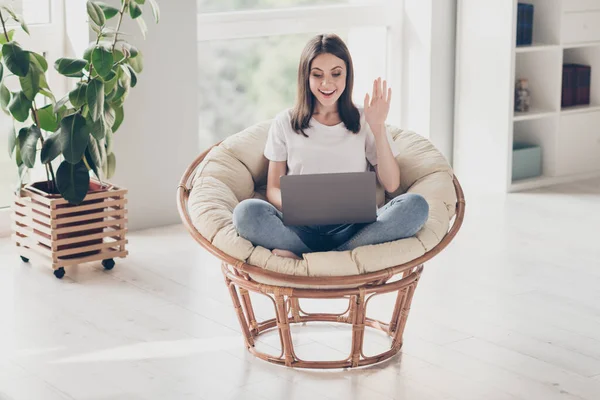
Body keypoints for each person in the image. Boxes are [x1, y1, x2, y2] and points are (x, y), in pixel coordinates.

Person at [232, 33, 429, 260]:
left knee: (416, 206)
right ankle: (338, 258)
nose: (327, 84)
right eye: (317, 75)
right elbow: (273, 189)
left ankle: (311, 257)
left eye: (336, 74)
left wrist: (377, 127)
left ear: (347, 76)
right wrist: (303, 205)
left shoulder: (365, 120)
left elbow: (392, 184)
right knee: (245, 213)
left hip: (354, 228)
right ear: (306, 78)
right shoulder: (285, 122)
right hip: (300, 229)